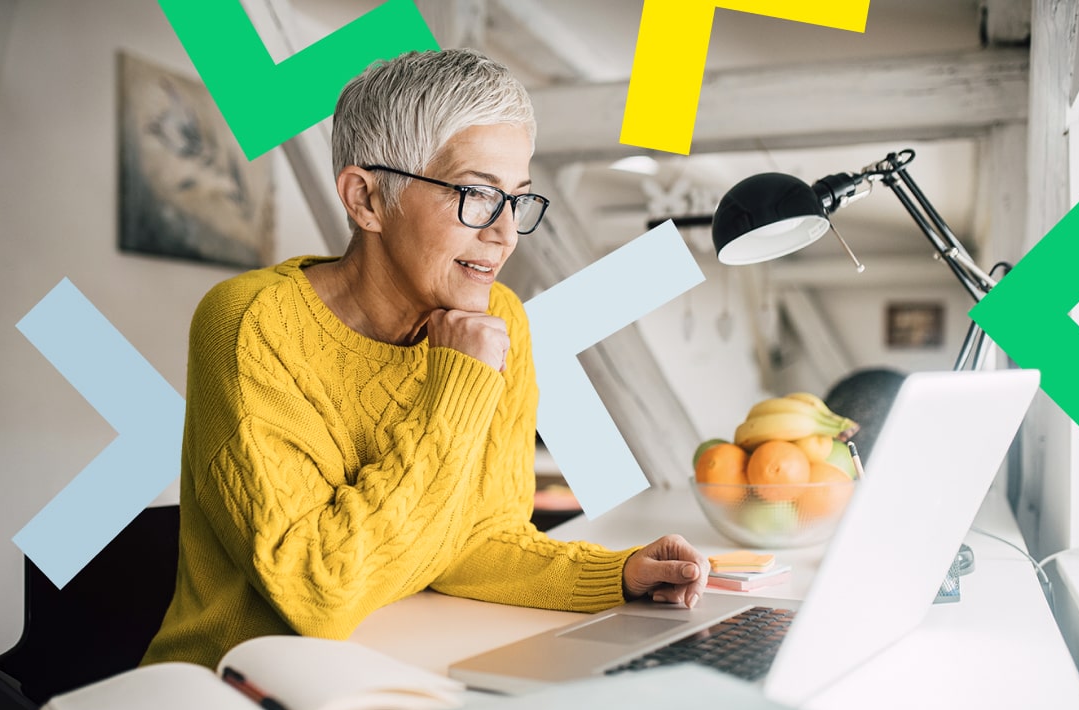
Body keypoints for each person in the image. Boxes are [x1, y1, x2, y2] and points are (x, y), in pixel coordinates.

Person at [143, 48, 708, 670]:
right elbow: (317, 593)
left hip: (396, 667)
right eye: (475, 194)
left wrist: (620, 572)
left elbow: (477, 538)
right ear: (366, 200)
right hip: (235, 695)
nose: (504, 233)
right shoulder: (251, 323)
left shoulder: (501, 321)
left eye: (517, 199)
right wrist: (458, 382)